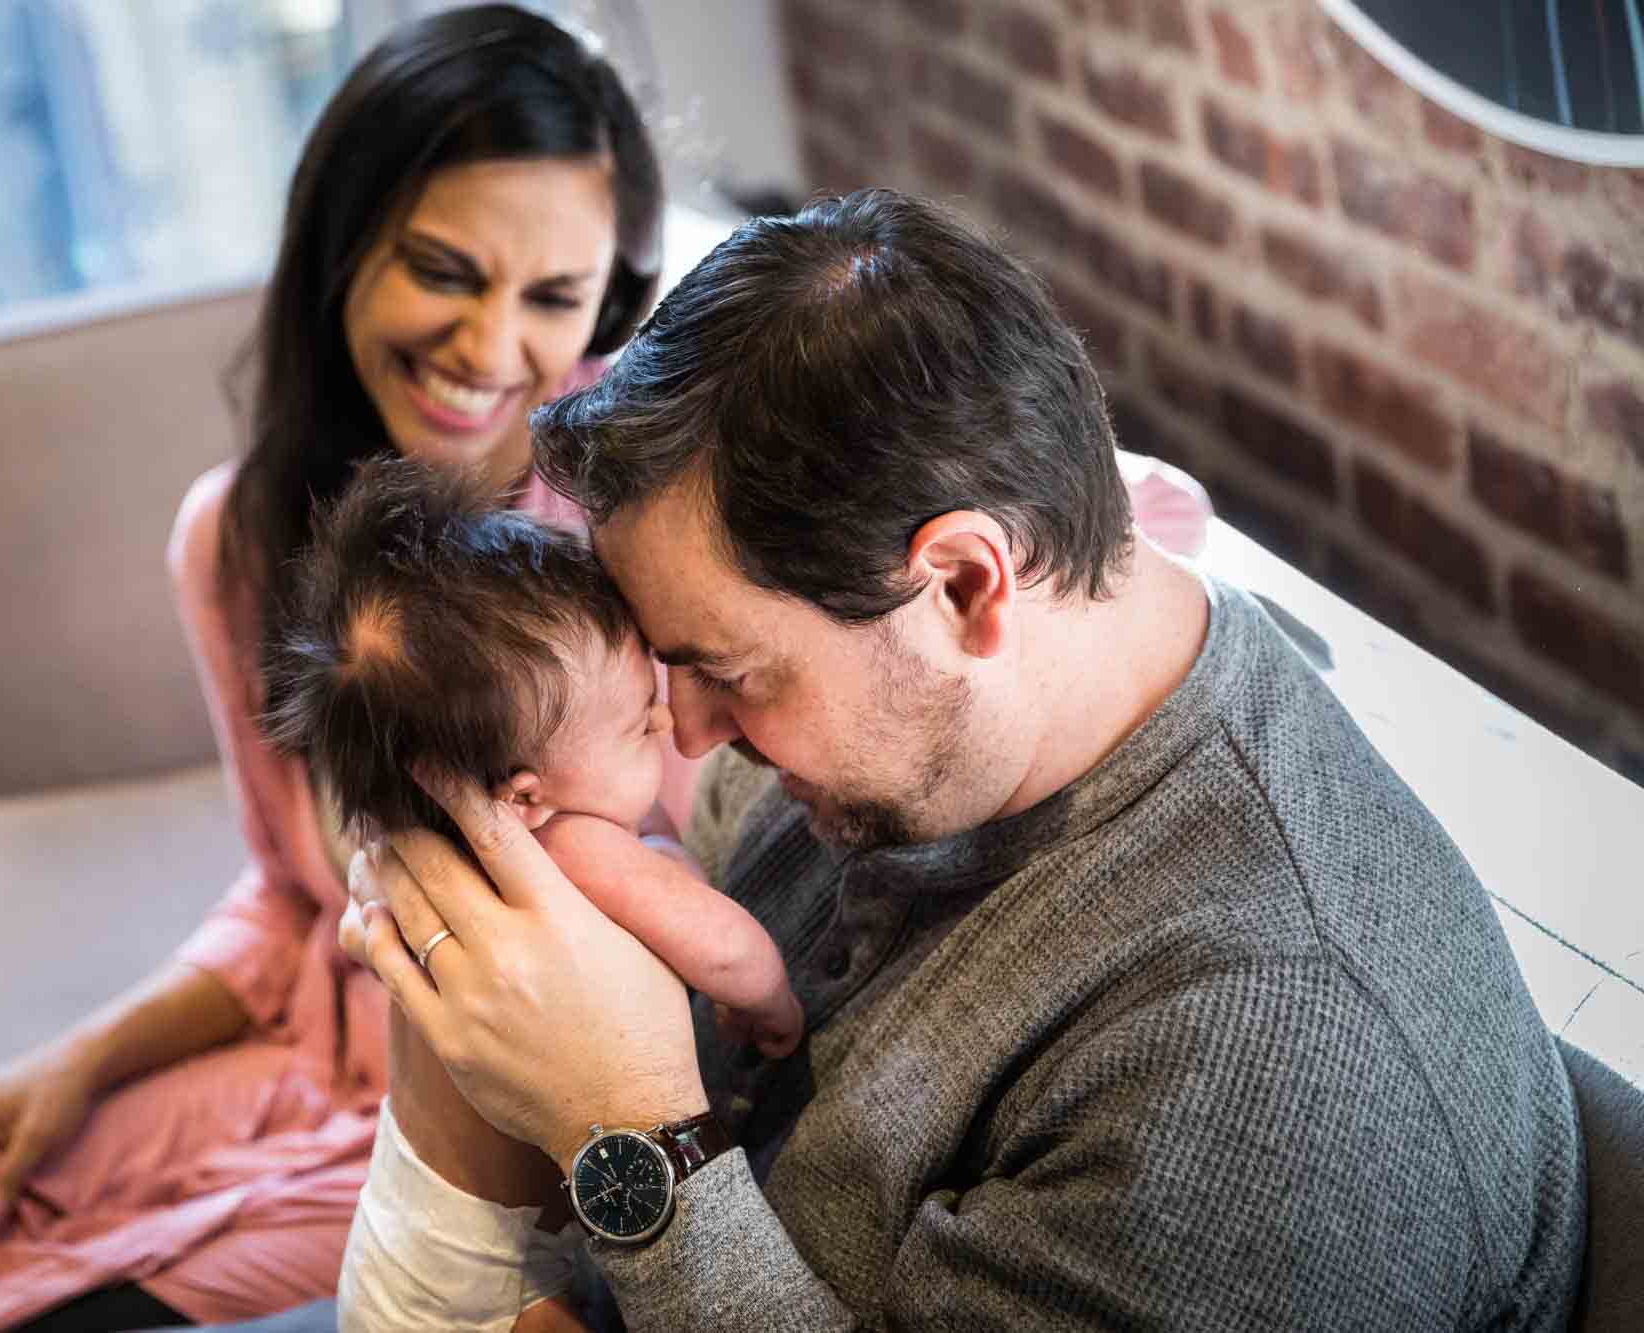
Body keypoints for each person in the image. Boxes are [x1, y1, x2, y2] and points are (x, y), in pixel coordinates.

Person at [343, 189, 1588, 1330]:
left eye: (726, 671)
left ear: (960, 582)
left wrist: (626, 1138)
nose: (691, 730)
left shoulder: (1269, 1084)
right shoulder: (961, 724)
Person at [0, 8, 671, 1330]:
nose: (489, 348)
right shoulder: (239, 538)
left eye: (551, 298)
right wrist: (75, 1063)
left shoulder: (638, 521)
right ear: (341, 241)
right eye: (443, 268)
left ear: (607, 305)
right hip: (300, 1054)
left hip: (489, 1125)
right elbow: (284, 890)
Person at [260, 455, 801, 1329]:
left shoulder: (431, 847)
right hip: (494, 1291)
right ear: (519, 795)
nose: (670, 724)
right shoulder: (575, 849)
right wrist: (772, 1003)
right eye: (638, 720)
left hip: (416, 1240)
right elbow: (728, 946)